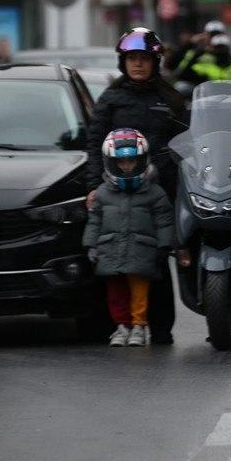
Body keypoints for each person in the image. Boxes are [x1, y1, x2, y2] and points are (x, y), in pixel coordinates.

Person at [86, 28, 187, 344]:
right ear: (123, 62)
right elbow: (94, 145)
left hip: (161, 192)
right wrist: (94, 186)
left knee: (156, 258)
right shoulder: (110, 99)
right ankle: (121, 325)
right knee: (116, 262)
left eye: (144, 58)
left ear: (155, 62)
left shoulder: (171, 99)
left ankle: (160, 327)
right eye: (132, 59)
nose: (138, 64)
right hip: (117, 194)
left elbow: (187, 144)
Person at [82, 129, 176, 347]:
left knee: (140, 294)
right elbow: (94, 222)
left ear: (142, 160)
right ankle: (121, 326)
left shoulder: (155, 193)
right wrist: (91, 246)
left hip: (142, 254)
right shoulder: (102, 193)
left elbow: (164, 221)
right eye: (121, 162)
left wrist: (164, 246)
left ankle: (139, 326)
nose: (126, 166)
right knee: (115, 294)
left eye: (131, 161)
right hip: (110, 252)